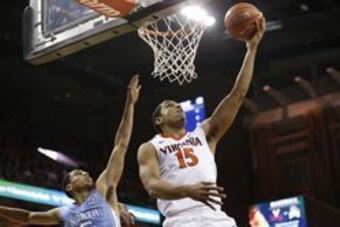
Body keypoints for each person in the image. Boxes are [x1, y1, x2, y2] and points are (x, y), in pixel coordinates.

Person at [137, 18, 266, 227]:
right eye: (170, 105)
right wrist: (187, 190)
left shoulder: (203, 134)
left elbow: (237, 95)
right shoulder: (150, 147)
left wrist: (251, 49)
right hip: (181, 220)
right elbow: (152, 186)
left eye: (178, 104)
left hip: (216, 216)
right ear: (158, 120)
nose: (178, 106)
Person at [0, 75, 141, 227]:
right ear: (69, 186)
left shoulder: (103, 189)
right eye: (79, 173)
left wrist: (130, 104)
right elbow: (28, 216)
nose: (85, 173)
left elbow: (121, 145)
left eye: (84, 172)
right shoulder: (63, 213)